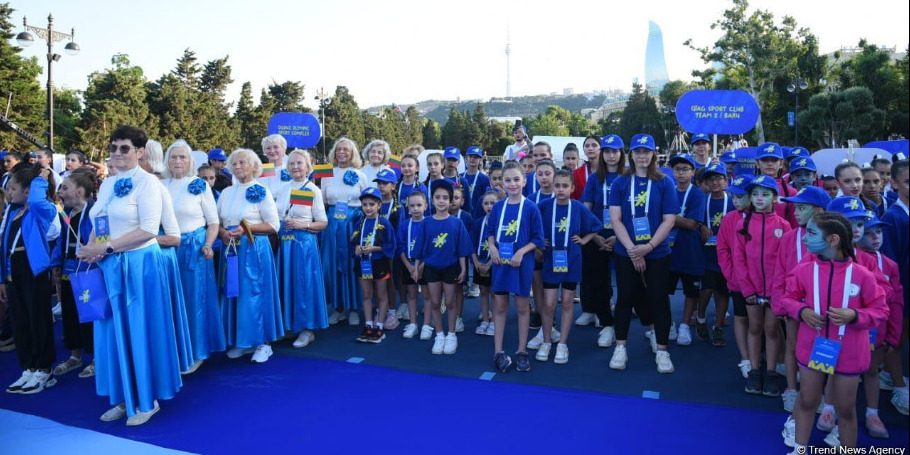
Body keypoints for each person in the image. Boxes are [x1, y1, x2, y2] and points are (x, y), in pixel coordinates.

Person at [78, 126, 182, 426]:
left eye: (124, 148)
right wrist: (93, 247)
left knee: (139, 328)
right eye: (113, 148)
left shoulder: (149, 183)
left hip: (139, 264)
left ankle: (147, 399)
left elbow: (149, 229)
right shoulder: (109, 184)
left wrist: (107, 247)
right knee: (113, 331)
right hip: (111, 266)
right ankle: (124, 396)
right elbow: (102, 222)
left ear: (140, 152)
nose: (117, 153)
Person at [782, 212, 887, 454]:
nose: (805, 239)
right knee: (808, 401)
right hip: (816, 347)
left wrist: (855, 316)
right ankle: (799, 449)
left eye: (811, 233)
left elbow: (880, 310)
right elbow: (787, 299)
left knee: (846, 409)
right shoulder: (804, 270)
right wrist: (802, 311)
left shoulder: (863, 275)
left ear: (833, 240)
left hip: (849, 352)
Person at [607, 134, 679, 374]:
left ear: (653, 155)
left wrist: (647, 247)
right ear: (631, 155)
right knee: (625, 298)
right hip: (625, 250)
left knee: (658, 299)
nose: (642, 156)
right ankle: (620, 347)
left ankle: (662, 349)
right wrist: (631, 249)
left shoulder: (664, 182)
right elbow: (615, 219)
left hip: (657, 252)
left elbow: (669, 220)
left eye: (646, 152)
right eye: (638, 151)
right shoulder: (620, 182)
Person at [163, 140, 225, 373]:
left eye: (183, 157)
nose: (178, 161)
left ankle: (197, 351)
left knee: (194, 299)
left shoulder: (199, 185)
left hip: (194, 249)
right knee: (171, 300)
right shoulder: (161, 184)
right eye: (174, 157)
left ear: (190, 161)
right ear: (167, 160)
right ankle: (175, 348)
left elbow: (213, 222)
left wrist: (208, 244)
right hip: (168, 249)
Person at [216, 148, 283, 363]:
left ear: (254, 166)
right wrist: (222, 233)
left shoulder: (261, 190)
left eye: (242, 162)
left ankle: (263, 342)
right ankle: (242, 340)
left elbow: (274, 225)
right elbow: (217, 221)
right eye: (234, 163)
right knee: (235, 292)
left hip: (254, 249)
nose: (237, 167)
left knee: (255, 293)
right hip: (232, 248)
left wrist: (247, 230)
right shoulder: (227, 192)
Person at [772, 185, 831, 414]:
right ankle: (791, 389)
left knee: (821, 347)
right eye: (794, 207)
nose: (795, 212)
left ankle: (821, 394)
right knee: (792, 345)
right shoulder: (789, 237)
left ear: (818, 211)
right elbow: (779, 272)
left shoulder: (831, 238)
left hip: (821, 307)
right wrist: (779, 303)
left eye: (801, 208)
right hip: (793, 304)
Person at [734, 175, 791, 397]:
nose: (759, 198)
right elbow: (739, 260)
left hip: (775, 292)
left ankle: (771, 372)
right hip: (752, 290)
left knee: (772, 329)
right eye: (755, 194)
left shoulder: (784, 226)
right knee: (755, 327)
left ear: (775, 198)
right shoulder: (743, 223)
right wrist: (747, 289)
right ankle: (755, 370)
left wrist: (778, 292)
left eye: (765, 194)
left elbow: (785, 262)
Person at [485, 161, 545, 372]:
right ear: (501, 182)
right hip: (501, 263)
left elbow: (538, 239)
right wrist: (492, 247)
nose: (512, 184)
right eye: (507, 180)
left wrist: (521, 251)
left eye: (516, 179)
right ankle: (498, 351)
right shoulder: (499, 206)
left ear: (524, 181)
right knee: (500, 306)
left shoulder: (531, 207)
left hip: (522, 263)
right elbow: (490, 231)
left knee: (521, 307)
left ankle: (521, 350)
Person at [1, 168, 57, 394]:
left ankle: (44, 369)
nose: (8, 193)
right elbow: (3, 246)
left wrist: (40, 180)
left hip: (33, 270)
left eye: (13, 189)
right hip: (12, 269)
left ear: (28, 191)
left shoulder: (39, 210)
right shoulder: (11, 212)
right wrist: (2, 280)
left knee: (38, 318)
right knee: (20, 320)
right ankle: (29, 367)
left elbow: (36, 201)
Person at [536, 169, 600, 364]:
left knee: (566, 302)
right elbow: (532, 227)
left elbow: (595, 226)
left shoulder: (579, 207)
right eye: (557, 185)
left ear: (573, 188)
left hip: (571, 260)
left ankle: (562, 344)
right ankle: (546, 340)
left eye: (565, 186)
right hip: (550, 261)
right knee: (548, 304)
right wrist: (539, 243)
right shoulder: (544, 206)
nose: (561, 189)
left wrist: (584, 239)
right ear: (552, 187)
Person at [276, 150, 329, 348]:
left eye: (300, 163)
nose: (296, 167)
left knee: (303, 284)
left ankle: (307, 329)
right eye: (292, 163)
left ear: (308, 166)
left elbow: (323, 223)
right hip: (285, 243)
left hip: (303, 245)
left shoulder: (313, 190)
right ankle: (290, 326)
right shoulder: (282, 189)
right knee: (287, 283)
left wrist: (301, 225)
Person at [413, 180, 472, 354]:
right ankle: (439, 334)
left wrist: (463, 269)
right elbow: (419, 248)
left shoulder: (456, 223)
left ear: (451, 200)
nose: (441, 201)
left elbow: (462, 248)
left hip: (451, 267)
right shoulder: (426, 222)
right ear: (432, 201)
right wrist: (416, 268)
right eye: (437, 197)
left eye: (445, 198)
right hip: (431, 268)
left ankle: (451, 334)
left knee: (451, 302)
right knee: (435, 302)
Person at [857, 214, 903, 439]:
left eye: (879, 231)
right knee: (835, 371)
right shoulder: (849, 258)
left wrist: (893, 335)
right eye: (868, 232)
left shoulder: (890, 265)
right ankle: (829, 409)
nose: (875, 237)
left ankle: (872, 413)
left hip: (875, 330)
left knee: (872, 370)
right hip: (848, 328)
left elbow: (896, 302)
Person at [50, 171, 97, 379]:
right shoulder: (67, 212)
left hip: (88, 272)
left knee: (91, 314)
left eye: (65, 188)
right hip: (68, 270)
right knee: (69, 312)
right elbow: (62, 239)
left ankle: (97, 357)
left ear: (79, 191)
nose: (60, 192)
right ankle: (74, 355)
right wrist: (56, 262)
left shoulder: (94, 212)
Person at [580, 134, 624, 346]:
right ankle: (606, 324)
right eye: (607, 151)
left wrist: (619, 236)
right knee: (598, 282)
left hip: (622, 237)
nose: (611, 155)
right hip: (597, 237)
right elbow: (585, 209)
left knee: (627, 284)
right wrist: (594, 235)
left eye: (615, 151)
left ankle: (622, 327)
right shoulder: (594, 178)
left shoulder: (628, 177)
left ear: (621, 153)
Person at [321, 137, 370, 325]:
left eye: (346, 150)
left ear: (352, 154)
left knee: (352, 264)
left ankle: (354, 308)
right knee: (333, 265)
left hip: (353, 223)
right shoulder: (326, 174)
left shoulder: (360, 174)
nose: (341, 152)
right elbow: (323, 202)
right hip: (332, 225)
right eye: (338, 149)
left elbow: (367, 200)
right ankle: (338, 307)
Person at [666, 153, 707, 346]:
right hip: (668, 250)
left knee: (691, 292)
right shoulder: (668, 190)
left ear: (693, 171)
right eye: (677, 169)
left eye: (685, 169)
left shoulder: (697, 193)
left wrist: (668, 218)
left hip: (690, 250)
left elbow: (692, 224)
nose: (680, 173)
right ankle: (669, 324)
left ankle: (684, 325)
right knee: (663, 289)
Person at [718, 175, 754, 379]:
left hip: (761, 282)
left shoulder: (761, 217)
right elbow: (723, 249)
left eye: (740, 196)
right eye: (733, 196)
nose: (735, 200)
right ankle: (745, 357)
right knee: (741, 318)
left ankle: (764, 358)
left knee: (764, 324)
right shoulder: (730, 218)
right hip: (737, 281)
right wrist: (731, 276)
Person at [880, 159, 909, 416]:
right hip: (903, 289)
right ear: (894, 183)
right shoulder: (893, 216)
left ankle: (893, 375)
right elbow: (890, 261)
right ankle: (898, 386)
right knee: (896, 339)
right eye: (908, 181)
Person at [697, 164, 735, 348]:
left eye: (718, 178)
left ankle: (718, 326)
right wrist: (701, 226)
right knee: (706, 289)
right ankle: (701, 317)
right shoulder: (702, 200)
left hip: (727, 255)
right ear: (705, 182)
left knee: (722, 290)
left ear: (726, 181)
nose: (715, 182)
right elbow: (693, 221)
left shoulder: (734, 201)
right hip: (706, 252)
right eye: (710, 179)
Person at [352, 187, 396, 343]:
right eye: (365, 205)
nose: (368, 208)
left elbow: (391, 245)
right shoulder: (360, 222)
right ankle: (368, 324)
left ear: (379, 205)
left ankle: (380, 325)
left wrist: (375, 248)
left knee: (381, 295)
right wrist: (356, 249)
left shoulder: (384, 223)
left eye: (372, 204)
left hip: (379, 263)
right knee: (366, 294)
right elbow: (353, 242)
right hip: (363, 263)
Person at [374, 168, 401, 330]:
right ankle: (380, 310)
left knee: (389, 281)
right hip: (374, 250)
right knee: (376, 283)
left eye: (385, 183)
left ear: (393, 186)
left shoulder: (397, 207)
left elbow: (399, 230)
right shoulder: (373, 203)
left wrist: (392, 251)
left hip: (389, 251)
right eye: (379, 183)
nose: (381, 186)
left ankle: (391, 311)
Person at [398, 191, 427, 339]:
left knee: (428, 296)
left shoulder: (429, 223)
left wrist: (419, 267)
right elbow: (401, 246)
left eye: (419, 205)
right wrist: (409, 267)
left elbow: (430, 248)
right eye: (412, 205)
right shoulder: (404, 225)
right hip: (408, 264)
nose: (416, 208)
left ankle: (427, 324)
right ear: (408, 208)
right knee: (412, 294)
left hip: (425, 265)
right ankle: (413, 323)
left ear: (426, 206)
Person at [472, 190, 498, 336]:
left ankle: (495, 321)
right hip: (479, 263)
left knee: (494, 293)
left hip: (494, 263)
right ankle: (485, 320)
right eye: (486, 203)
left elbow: (500, 246)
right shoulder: (477, 223)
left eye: (492, 203)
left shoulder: (499, 223)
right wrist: (476, 261)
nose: (489, 206)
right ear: (482, 205)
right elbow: (472, 244)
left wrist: (490, 263)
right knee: (483, 292)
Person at [463, 146, 490, 218]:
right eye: (470, 156)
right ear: (466, 158)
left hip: (478, 216)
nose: (472, 159)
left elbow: (486, 198)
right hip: (462, 215)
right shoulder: (460, 177)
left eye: (476, 157)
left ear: (480, 160)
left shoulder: (484, 179)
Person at [572, 136, 601, 201]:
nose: (590, 148)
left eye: (594, 145)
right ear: (583, 149)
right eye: (587, 146)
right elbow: (573, 197)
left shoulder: (608, 171)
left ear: (601, 148)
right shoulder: (577, 173)